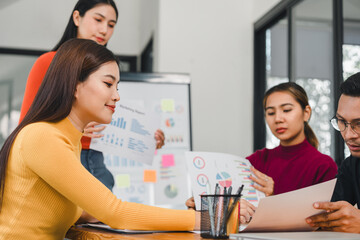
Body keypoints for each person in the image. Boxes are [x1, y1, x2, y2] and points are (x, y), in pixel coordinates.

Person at [0, 39, 199, 239]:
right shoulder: (43, 136)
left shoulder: (68, 140)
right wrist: (201, 220)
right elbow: (115, 212)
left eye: (117, 87)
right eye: (108, 84)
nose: (117, 96)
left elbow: (90, 212)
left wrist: (186, 215)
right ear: (74, 86)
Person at [19, 0, 165, 191]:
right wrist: (72, 128)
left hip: (96, 160)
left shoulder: (105, 70)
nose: (104, 30)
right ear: (77, 18)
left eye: (111, 25)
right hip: (60, 157)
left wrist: (146, 138)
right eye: (98, 19)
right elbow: (27, 125)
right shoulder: (49, 63)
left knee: (103, 217)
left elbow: (113, 123)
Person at [186, 82, 337, 223]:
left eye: (287, 110)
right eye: (270, 113)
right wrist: (203, 206)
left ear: (306, 113)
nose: (278, 119)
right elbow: (235, 208)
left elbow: (321, 223)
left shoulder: (323, 166)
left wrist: (272, 198)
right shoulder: (256, 161)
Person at [306, 72, 360, 233]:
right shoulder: (351, 166)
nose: (348, 135)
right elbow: (325, 215)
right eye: (342, 122)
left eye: (359, 124)